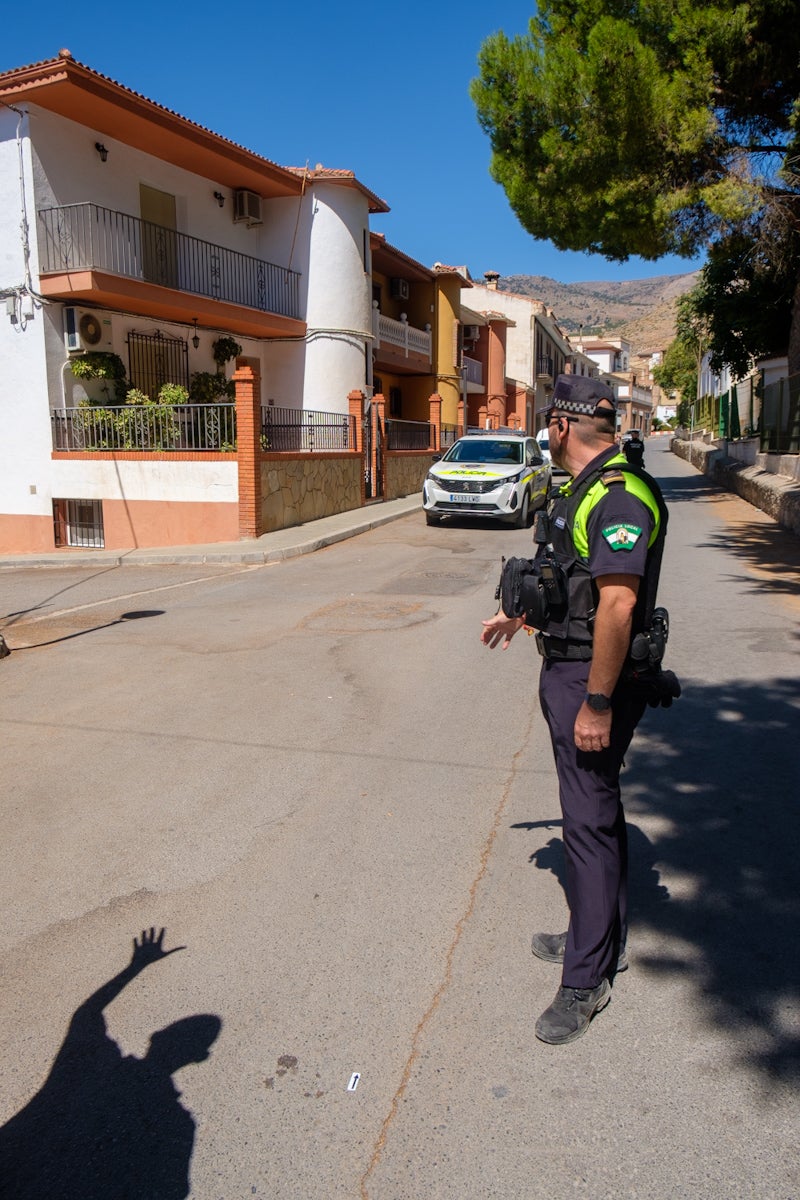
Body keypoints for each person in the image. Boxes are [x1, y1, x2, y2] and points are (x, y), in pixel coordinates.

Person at [481, 374, 669, 1045]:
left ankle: (584, 979)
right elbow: (572, 584)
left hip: (592, 683)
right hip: (573, 669)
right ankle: (595, 929)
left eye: (544, 423)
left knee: (585, 823)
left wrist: (595, 701)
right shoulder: (588, 488)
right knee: (597, 813)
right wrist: (519, 615)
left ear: (561, 426)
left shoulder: (619, 496)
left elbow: (617, 606)